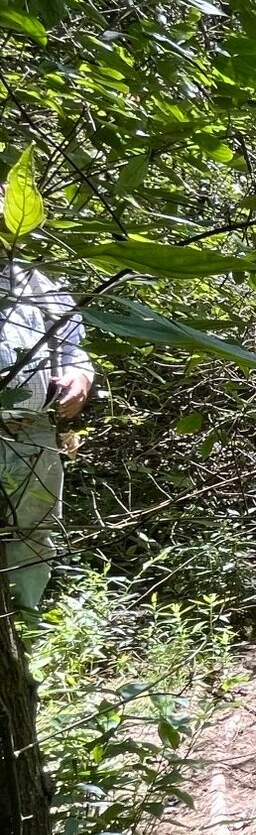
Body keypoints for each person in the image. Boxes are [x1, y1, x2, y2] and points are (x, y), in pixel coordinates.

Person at [0, 261, 95, 611]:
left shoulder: (33, 281)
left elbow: (72, 348)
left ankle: (22, 620)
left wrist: (80, 377)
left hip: (33, 429)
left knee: (34, 531)